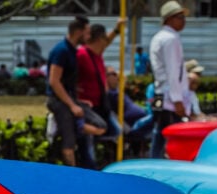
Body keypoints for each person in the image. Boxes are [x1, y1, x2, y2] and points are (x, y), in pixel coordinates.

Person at [46, 15, 107, 167]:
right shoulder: (61, 51)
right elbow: (54, 81)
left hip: (70, 99)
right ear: (78, 32)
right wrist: (72, 105)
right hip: (59, 101)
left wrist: (77, 101)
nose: (89, 36)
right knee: (69, 143)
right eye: (87, 32)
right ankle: (71, 172)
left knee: (100, 126)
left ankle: (75, 127)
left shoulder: (73, 51)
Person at [75, 20, 125, 167]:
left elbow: (108, 41)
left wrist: (116, 30)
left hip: (100, 104)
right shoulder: (81, 54)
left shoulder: (97, 54)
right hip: (87, 106)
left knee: (115, 130)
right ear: (99, 39)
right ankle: (88, 167)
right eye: (105, 39)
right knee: (88, 146)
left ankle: (92, 146)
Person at [149, 1, 189, 158]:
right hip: (169, 97)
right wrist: (177, 99)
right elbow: (173, 71)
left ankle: (153, 163)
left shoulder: (159, 37)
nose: (183, 21)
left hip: (160, 94)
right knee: (170, 134)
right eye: (180, 17)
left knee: (159, 131)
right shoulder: (170, 39)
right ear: (169, 19)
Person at [106, 66, 153, 139]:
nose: (117, 76)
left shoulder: (116, 91)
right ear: (105, 77)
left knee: (161, 115)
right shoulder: (109, 94)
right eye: (114, 74)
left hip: (143, 117)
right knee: (159, 116)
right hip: (135, 124)